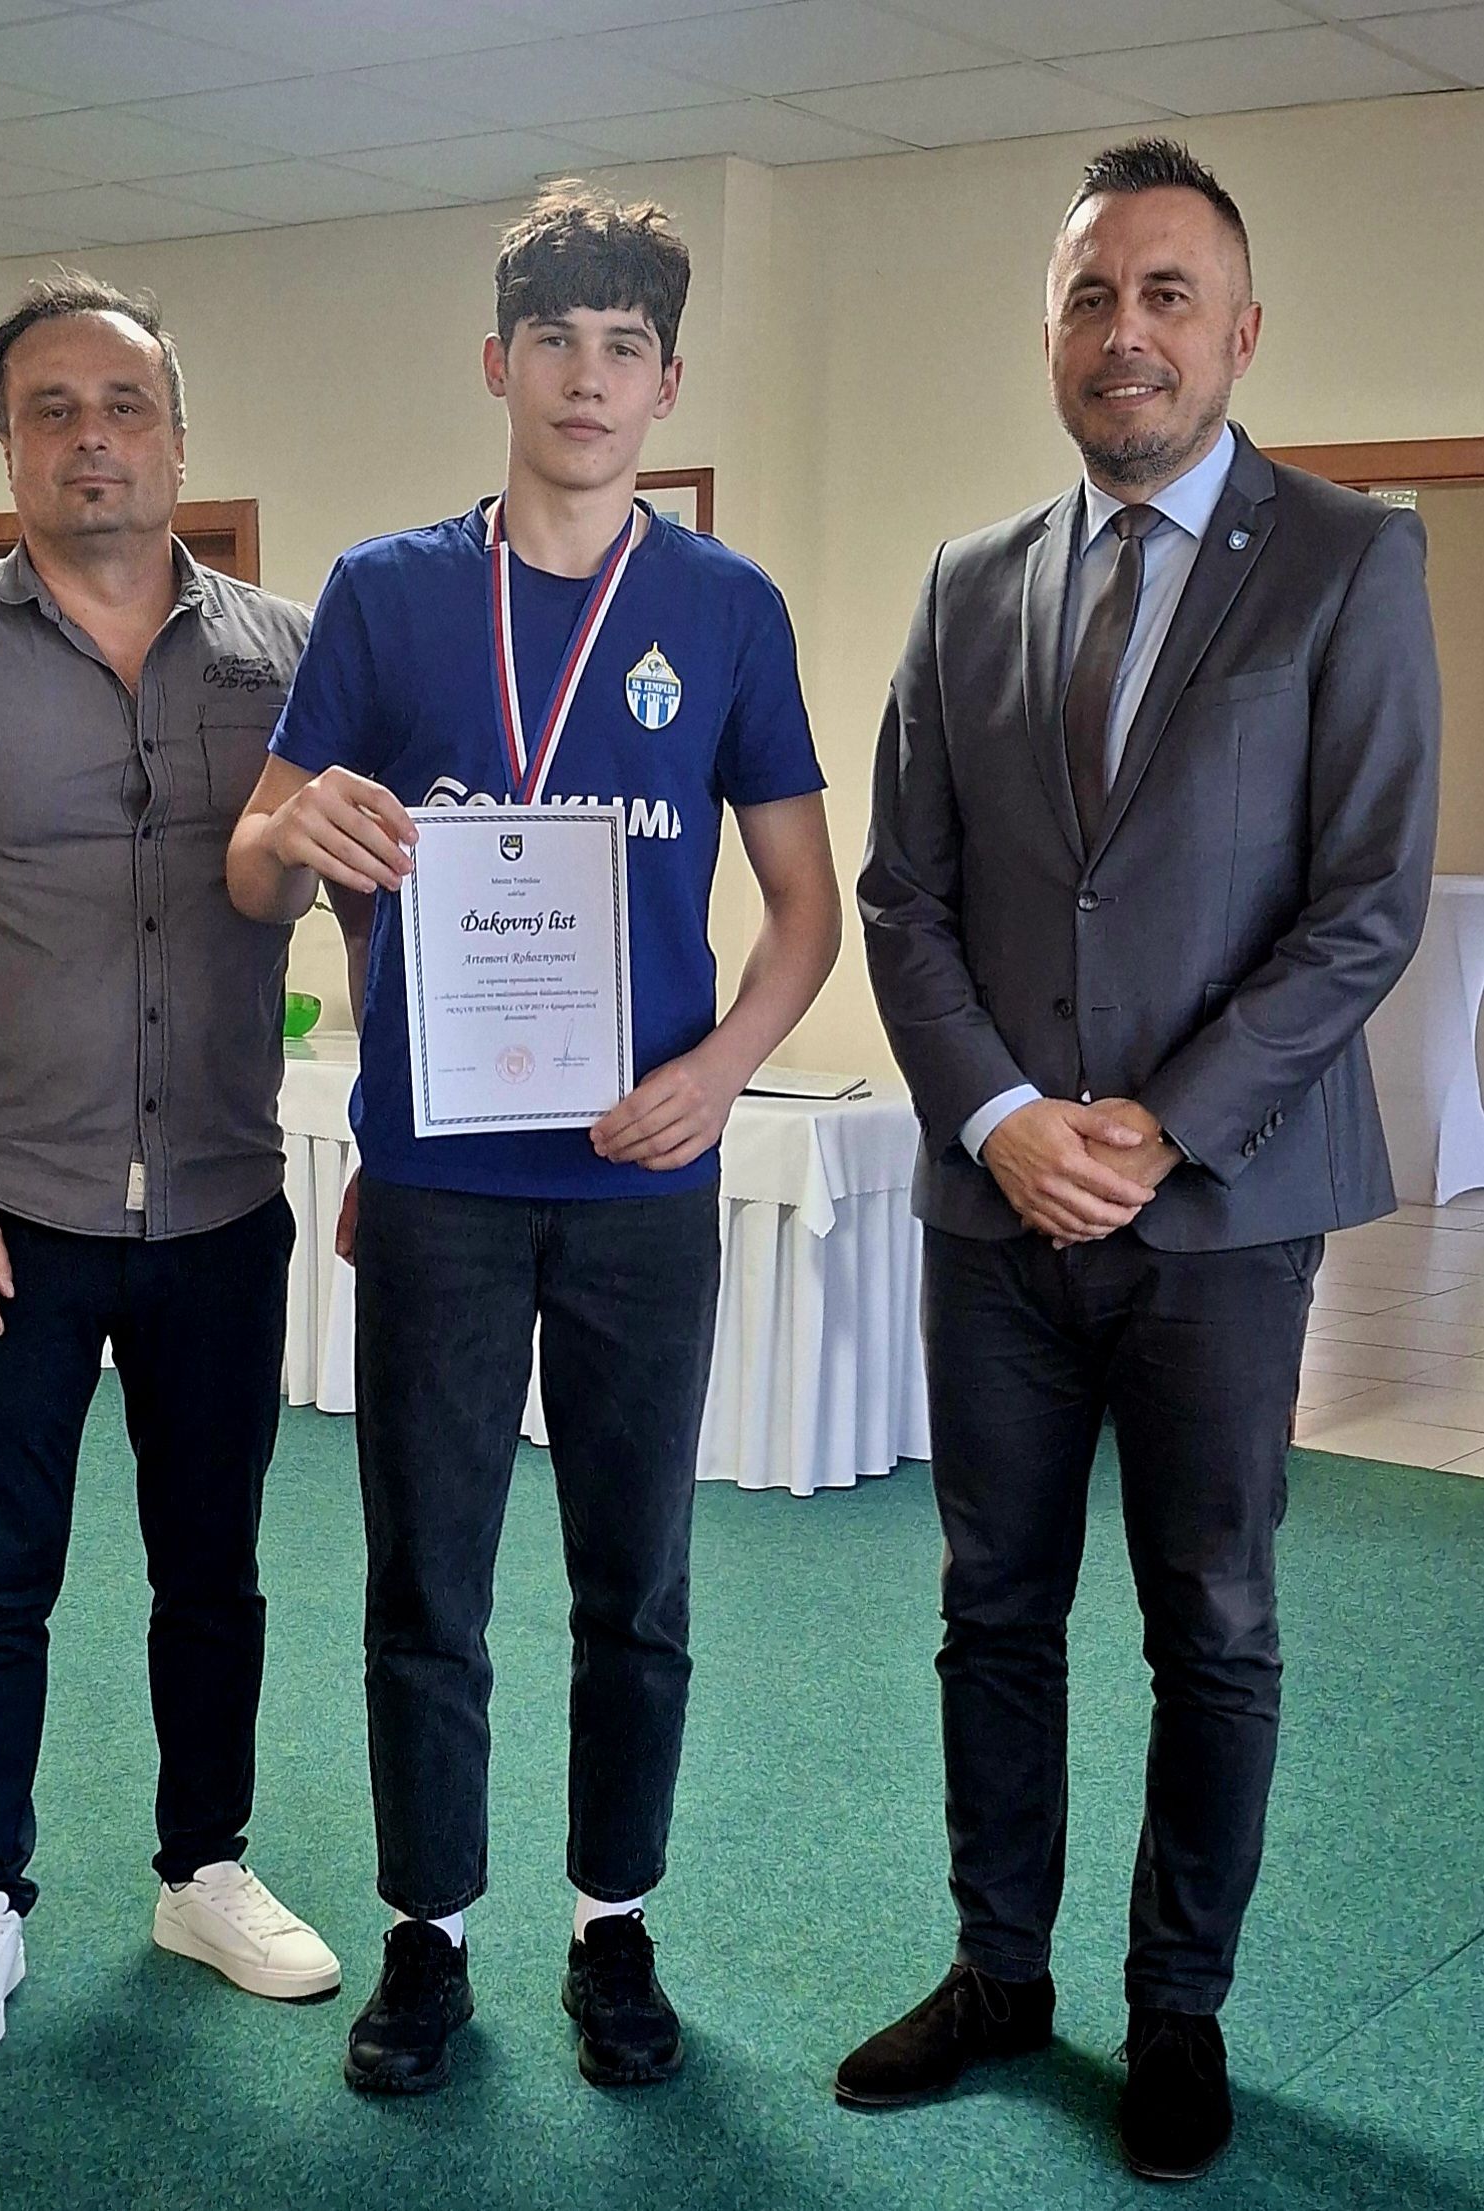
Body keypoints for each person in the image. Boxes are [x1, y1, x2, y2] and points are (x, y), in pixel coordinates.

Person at [845, 139, 1439, 2180]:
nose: (1129, 333)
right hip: (993, 1205)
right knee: (991, 1605)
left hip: (1225, 1206)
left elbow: (1365, 902)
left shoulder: (1348, 560)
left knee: (1215, 1617)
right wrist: (1002, 1117)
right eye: (1092, 297)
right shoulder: (966, 580)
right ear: (1050, 336)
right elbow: (904, 895)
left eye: (1168, 293)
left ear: (1240, 330)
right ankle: (997, 1971)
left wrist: (1161, 1122)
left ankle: (1177, 2004)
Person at [228, 182, 841, 2095]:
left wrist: (723, 1068)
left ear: (666, 384)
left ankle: (611, 1923)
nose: (587, 378)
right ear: (496, 365)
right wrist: (292, 832)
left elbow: (805, 909)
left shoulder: (726, 611)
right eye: (555, 342)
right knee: (427, 1581)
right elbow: (251, 863)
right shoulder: (385, 593)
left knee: (631, 1583)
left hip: (643, 1183)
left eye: (623, 348)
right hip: (439, 1186)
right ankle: (428, 1935)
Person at [0, 275, 339, 2061]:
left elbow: (378, 891)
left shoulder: (288, 651)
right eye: (53, 410)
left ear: (179, 437)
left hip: (221, 1205)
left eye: (124, 406)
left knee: (216, 1569)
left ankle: (204, 1870)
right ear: (9, 445)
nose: (91, 438)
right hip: (7, 1215)